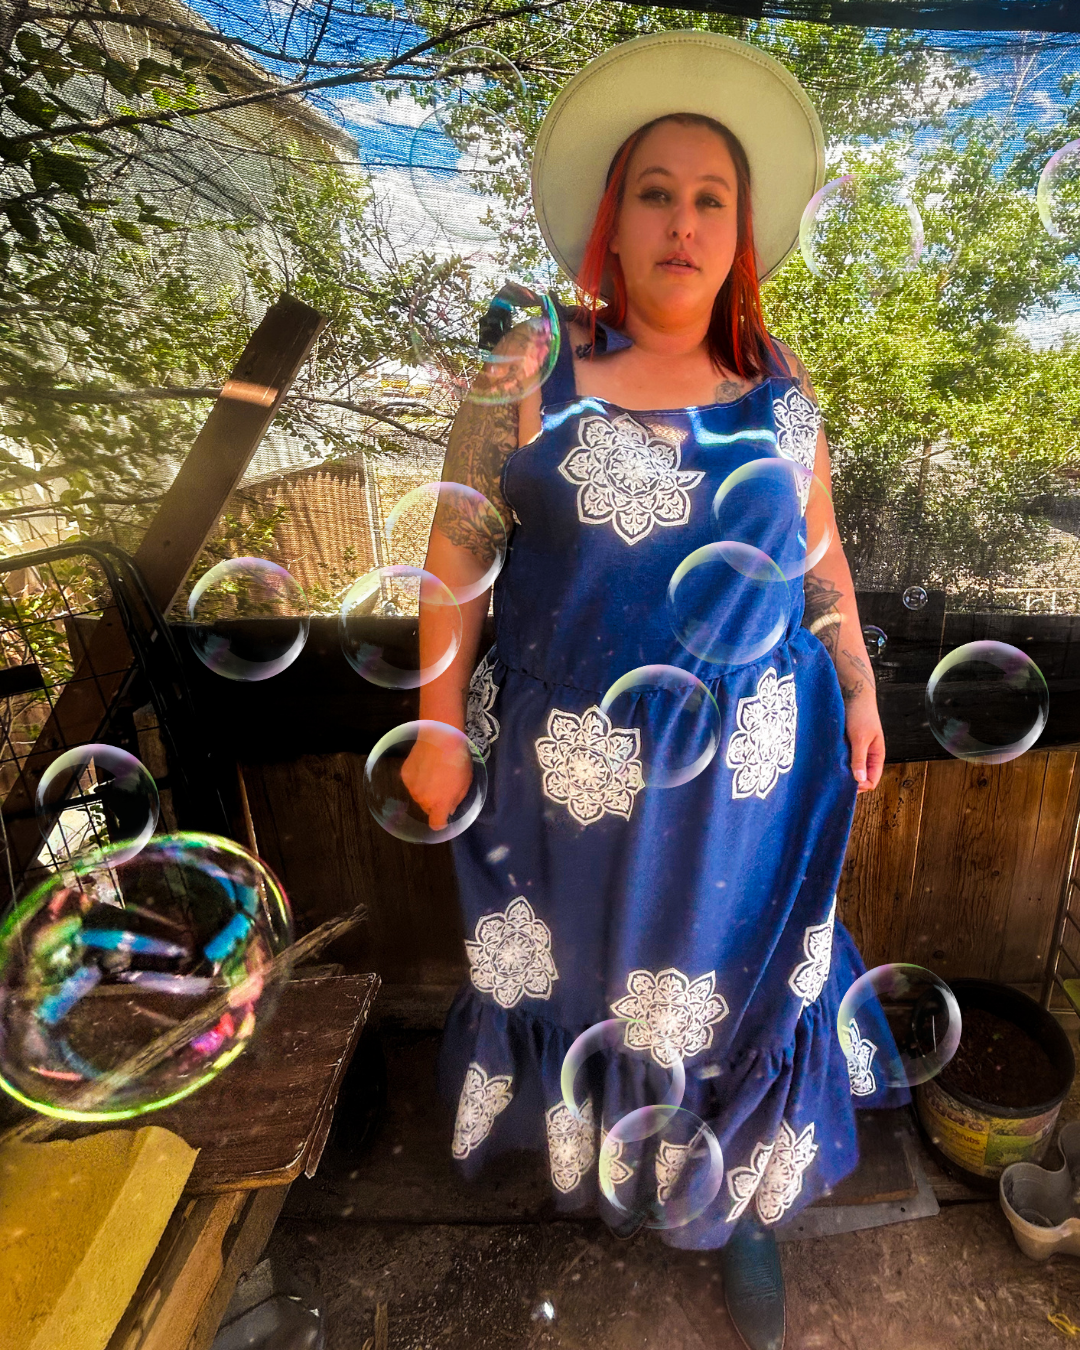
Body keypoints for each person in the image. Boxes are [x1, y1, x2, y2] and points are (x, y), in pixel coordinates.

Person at [403, 31, 908, 1350]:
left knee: (733, 985)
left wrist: (854, 683)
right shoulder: (526, 371)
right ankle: (613, 1157)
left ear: (739, 234)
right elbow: (454, 555)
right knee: (588, 981)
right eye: (654, 190)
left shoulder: (781, 384)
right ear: (610, 224)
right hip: (571, 765)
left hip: (754, 770)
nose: (683, 220)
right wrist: (436, 727)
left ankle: (739, 1209)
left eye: (711, 198)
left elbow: (824, 569)